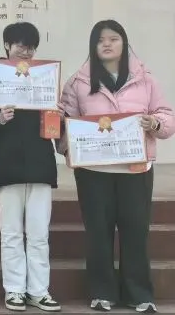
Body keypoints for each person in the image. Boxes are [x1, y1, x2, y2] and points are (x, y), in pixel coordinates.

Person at [58, 20, 173, 313]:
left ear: (124, 42)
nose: (107, 44)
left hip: (136, 169)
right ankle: (102, 292)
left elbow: (166, 116)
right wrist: (67, 141)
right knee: (98, 233)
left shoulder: (145, 79)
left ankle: (140, 294)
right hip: (93, 172)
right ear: (93, 46)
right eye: (100, 40)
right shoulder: (78, 82)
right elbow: (64, 123)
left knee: (136, 232)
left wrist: (154, 122)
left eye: (113, 38)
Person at [0, 22, 60, 312]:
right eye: (20, 45)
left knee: (39, 234)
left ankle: (39, 291)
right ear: (7, 46)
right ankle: (15, 290)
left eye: (30, 47)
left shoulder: (44, 80)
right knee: (12, 233)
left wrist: (58, 116)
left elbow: (55, 124)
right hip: (5, 166)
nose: (25, 52)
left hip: (40, 166)